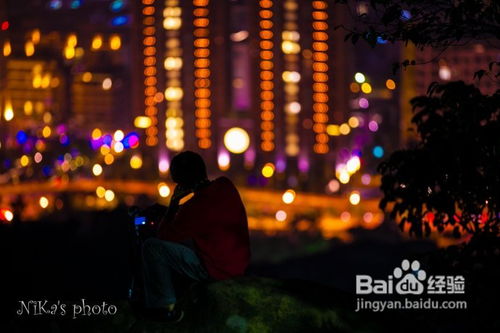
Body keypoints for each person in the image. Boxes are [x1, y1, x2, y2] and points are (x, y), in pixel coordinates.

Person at [142, 151, 250, 322]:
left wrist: (173, 206)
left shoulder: (193, 208)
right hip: (239, 266)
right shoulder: (225, 185)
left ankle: (166, 308)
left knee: (152, 247)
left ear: (181, 183)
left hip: (216, 272)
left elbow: (164, 235)